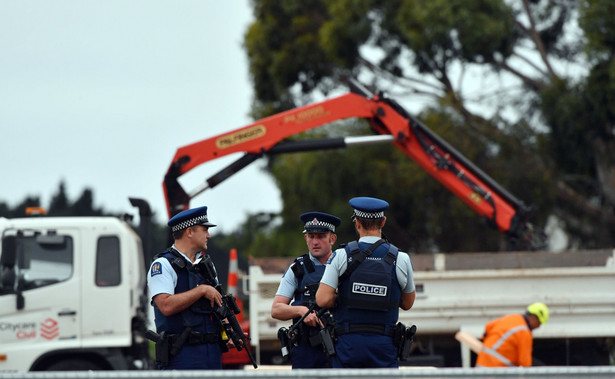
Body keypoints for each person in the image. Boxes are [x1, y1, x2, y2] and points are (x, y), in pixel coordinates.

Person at [316, 196, 416, 368]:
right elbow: (407, 303)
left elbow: (323, 299)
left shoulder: (341, 255)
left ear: (357, 223)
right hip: (384, 345)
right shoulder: (401, 258)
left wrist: (340, 298)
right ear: (383, 222)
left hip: (348, 345)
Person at [147, 206, 225, 370]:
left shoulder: (207, 266)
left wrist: (228, 332)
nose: (208, 235)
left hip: (212, 353)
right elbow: (166, 306)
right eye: (205, 230)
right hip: (181, 354)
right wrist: (201, 290)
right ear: (189, 232)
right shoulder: (163, 265)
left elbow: (218, 303)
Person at [271, 211, 341, 369]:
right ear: (306, 238)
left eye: (321, 236)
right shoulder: (297, 269)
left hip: (338, 346)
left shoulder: (343, 267)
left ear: (332, 239)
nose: (315, 242)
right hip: (306, 350)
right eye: (311, 236)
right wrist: (301, 311)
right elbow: (276, 309)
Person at [475, 302, 549, 367]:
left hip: (482, 364)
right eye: (539, 323)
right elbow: (524, 362)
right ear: (534, 318)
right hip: (498, 371)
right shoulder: (524, 332)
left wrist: (487, 344)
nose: (538, 326)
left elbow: (488, 326)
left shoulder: (512, 317)